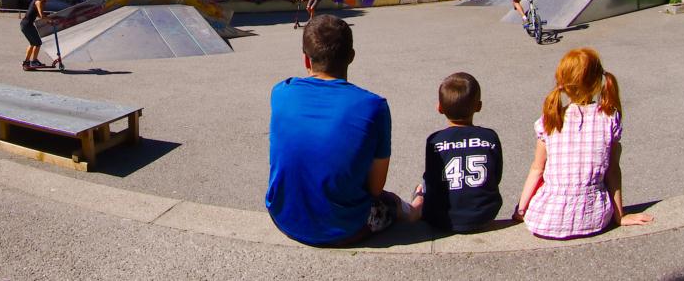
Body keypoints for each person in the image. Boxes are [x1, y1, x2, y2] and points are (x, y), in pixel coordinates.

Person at [266, 14, 408, 246]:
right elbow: (375, 187)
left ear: (306, 60)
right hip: (345, 228)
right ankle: (415, 210)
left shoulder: (281, 91)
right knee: (390, 202)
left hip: (283, 217)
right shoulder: (374, 106)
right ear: (351, 57)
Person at [513, 48, 655, 239]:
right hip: (594, 217)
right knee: (612, 150)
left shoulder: (550, 120)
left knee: (546, 166)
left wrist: (521, 210)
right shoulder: (608, 118)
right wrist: (620, 216)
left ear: (562, 82)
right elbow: (612, 170)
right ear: (598, 82)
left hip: (546, 218)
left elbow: (537, 169)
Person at [407, 72, 503, 233]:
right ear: (478, 106)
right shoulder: (490, 137)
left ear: (439, 108)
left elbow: (432, 179)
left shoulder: (435, 140)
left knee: (422, 186)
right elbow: (496, 175)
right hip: (484, 214)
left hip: (441, 218)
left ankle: (417, 201)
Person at [19, 0, 55, 71]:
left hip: (26, 24)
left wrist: (48, 20)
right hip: (27, 25)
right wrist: (50, 20)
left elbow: (39, 15)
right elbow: (42, 16)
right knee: (37, 43)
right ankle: (33, 61)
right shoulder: (38, 2)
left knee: (33, 43)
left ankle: (27, 62)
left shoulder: (37, 1)